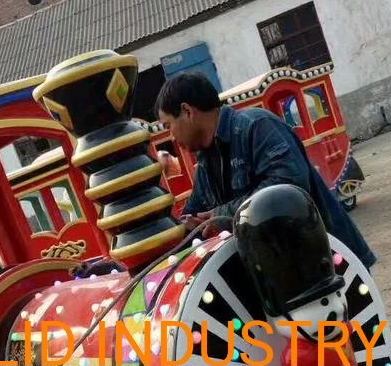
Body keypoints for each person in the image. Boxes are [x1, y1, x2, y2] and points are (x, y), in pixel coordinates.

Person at [154, 71, 376, 268]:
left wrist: (218, 216)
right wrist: (183, 225)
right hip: (282, 271)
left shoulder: (256, 127)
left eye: (168, 125)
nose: (171, 136)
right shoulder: (206, 160)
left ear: (187, 111)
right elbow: (195, 211)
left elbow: (288, 188)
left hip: (327, 261)